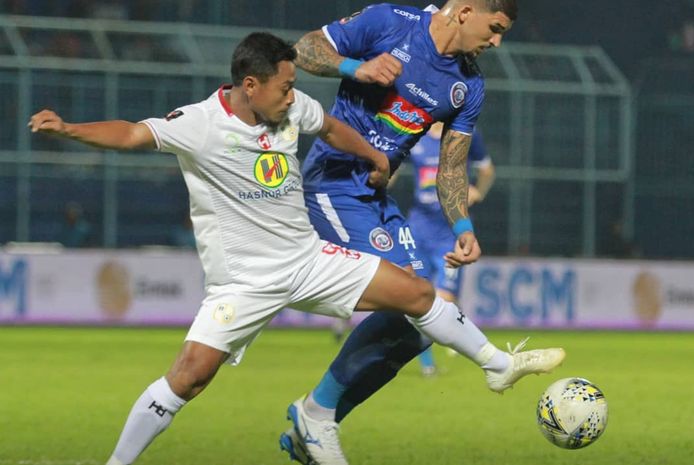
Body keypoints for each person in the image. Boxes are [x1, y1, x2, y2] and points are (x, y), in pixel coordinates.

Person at [28, 32, 564, 465]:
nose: (293, 93)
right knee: (188, 378)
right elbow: (129, 134)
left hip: (309, 261)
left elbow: (330, 126)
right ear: (250, 84)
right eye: (284, 86)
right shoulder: (200, 124)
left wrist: (375, 160)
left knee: (416, 292)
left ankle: (495, 364)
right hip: (245, 281)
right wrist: (69, 128)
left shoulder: (291, 108)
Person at [279, 2, 563, 464]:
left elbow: (452, 167)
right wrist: (356, 66)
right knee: (410, 298)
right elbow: (304, 49)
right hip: (333, 183)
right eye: (494, 29)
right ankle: (495, 365)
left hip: (377, 199)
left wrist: (463, 225)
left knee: (418, 331)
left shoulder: (467, 85)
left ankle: (314, 418)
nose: (496, 43)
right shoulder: (390, 22)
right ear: (466, 11)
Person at [406, 122, 495, 375]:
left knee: (443, 299)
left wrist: (478, 191)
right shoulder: (415, 133)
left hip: (451, 231)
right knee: (416, 297)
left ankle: (459, 335)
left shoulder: (465, 134)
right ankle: (427, 365)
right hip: (418, 230)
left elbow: (487, 170)